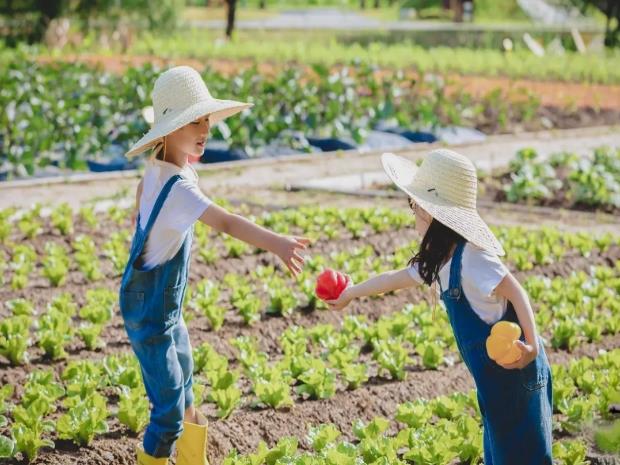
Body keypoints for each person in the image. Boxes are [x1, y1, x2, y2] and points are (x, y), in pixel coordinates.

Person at [120, 65, 309, 465]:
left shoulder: (162, 170)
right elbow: (227, 222)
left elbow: (140, 202)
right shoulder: (179, 187)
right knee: (169, 414)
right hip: (150, 314)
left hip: (164, 309)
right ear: (171, 129)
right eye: (195, 121)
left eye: (206, 119)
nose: (205, 128)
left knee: (186, 391)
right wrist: (277, 243)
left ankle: (194, 461)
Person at [327, 149, 553, 465]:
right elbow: (395, 278)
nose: (412, 212)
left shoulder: (473, 259)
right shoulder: (440, 260)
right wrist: (351, 293)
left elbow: (518, 293)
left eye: (413, 204)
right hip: (494, 381)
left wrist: (531, 346)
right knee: (501, 454)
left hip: (518, 373)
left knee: (524, 457)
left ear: (431, 213)